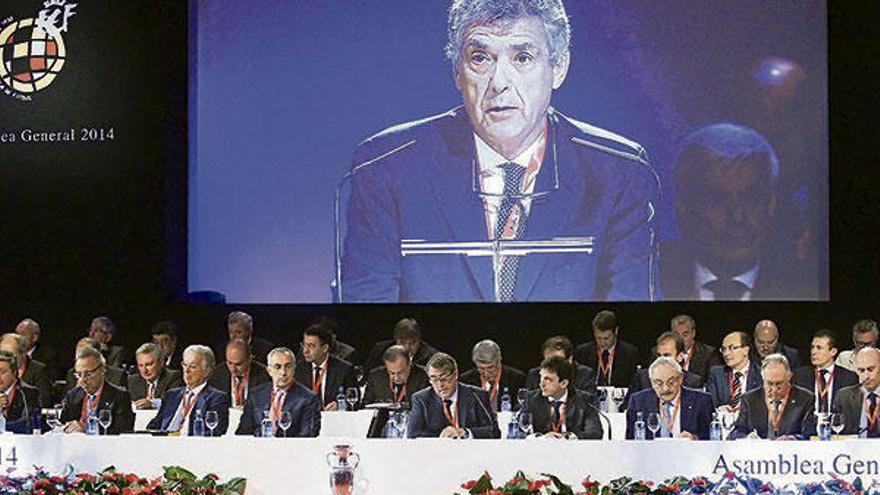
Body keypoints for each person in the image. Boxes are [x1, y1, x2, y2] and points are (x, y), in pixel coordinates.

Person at [340, 0, 659, 303]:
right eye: (480, 58)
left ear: (558, 67)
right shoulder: (386, 168)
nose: (499, 83)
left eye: (522, 58)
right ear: (457, 72)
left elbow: (629, 306)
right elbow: (366, 303)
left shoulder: (618, 172)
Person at [661, 123, 816, 301]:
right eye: (717, 199)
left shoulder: (807, 283)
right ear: (683, 208)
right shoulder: (643, 276)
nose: (737, 217)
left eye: (752, 198)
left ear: (771, 205)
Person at [407, 353, 499, 438]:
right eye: (434, 379)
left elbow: (494, 431)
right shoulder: (421, 399)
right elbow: (413, 435)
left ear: (455, 374)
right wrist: (443, 436)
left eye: (444, 378)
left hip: (471, 451)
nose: (440, 385)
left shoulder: (477, 395)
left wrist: (465, 433)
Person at [237, 347, 321, 437]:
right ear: (269, 371)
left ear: (294, 368)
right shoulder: (255, 395)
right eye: (277, 367)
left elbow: (308, 436)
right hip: (258, 448)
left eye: (288, 366)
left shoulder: (308, 398)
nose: (283, 372)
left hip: (291, 449)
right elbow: (243, 432)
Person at [147, 345, 230, 435]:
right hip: (164, 443)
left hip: (192, 446)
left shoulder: (216, 399)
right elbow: (154, 425)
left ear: (207, 371)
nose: (186, 370)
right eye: (185, 365)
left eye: (193, 367)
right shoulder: (171, 395)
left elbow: (214, 432)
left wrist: (182, 436)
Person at [729, 354, 816, 440]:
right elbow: (737, 432)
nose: (774, 389)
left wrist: (794, 438)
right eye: (769, 384)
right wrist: (747, 438)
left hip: (790, 451)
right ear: (762, 378)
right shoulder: (749, 399)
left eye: (779, 384)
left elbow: (810, 434)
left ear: (789, 377)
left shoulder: (805, 399)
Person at [625, 357, 713, 440]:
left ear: (680, 378)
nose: (665, 389)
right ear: (651, 382)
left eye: (671, 382)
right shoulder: (638, 402)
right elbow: (630, 440)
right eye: (659, 383)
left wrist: (694, 438)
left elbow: (711, 438)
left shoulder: (702, 401)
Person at [520, 356, 601, 439]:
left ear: (564, 383)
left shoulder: (585, 400)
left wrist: (568, 437)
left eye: (548, 379)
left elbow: (595, 433)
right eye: (541, 377)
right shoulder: (531, 399)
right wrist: (542, 438)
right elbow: (519, 432)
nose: (541, 384)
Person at [60, 346, 134, 435]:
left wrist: (87, 429)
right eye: (79, 375)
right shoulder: (72, 396)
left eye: (88, 374)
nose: (83, 380)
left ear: (102, 370)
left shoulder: (120, 397)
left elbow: (122, 431)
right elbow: (63, 425)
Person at [624, 332, 703, 409]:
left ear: (680, 356)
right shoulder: (643, 377)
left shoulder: (693, 381)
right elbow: (627, 407)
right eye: (659, 355)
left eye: (667, 355)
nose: (661, 360)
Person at [293, 322, 357, 410]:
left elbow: (354, 399)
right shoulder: (298, 370)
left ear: (325, 348)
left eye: (311, 346)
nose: (305, 351)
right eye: (304, 345)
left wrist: (340, 405)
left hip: (333, 419)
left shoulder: (344, 369)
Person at [792, 329, 858, 414]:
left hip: (837, 425)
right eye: (812, 347)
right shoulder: (799, 376)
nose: (813, 352)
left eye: (819, 348)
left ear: (833, 352)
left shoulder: (849, 378)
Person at [574, 310, 640, 387]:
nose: (602, 342)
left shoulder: (629, 353)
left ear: (616, 331)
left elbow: (633, 385)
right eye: (598, 338)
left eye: (606, 338)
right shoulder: (583, 352)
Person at [460, 340, 525, 410]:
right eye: (481, 368)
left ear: (499, 362)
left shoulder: (517, 379)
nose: (486, 373)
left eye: (490, 368)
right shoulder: (466, 381)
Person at [705, 331, 762, 410]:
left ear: (745, 350)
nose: (726, 353)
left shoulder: (761, 373)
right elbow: (709, 402)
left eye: (732, 348)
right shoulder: (716, 373)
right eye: (724, 349)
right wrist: (719, 408)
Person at [208, 338, 271, 409]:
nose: (233, 369)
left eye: (238, 364)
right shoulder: (217, 374)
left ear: (249, 359)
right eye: (229, 363)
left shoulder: (264, 375)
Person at [524, 336, 596, 397]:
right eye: (548, 361)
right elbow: (522, 405)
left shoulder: (584, 374)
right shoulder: (534, 375)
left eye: (557, 361)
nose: (552, 366)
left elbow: (589, 403)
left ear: (570, 359)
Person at [833, 347, 880, 437]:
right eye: (861, 370)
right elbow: (835, 431)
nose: (866, 376)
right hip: (854, 449)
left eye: (871, 369)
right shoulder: (844, 397)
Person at [363, 318, 440, 372]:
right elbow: (368, 375)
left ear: (419, 340)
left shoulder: (433, 357)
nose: (407, 348)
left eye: (412, 343)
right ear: (395, 340)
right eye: (402, 343)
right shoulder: (380, 350)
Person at [362, 345, 429, 405]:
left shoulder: (424, 376)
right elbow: (366, 406)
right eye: (392, 373)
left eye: (400, 372)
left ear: (410, 364)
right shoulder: (375, 377)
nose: (396, 378)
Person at [0, 333, 52, 408]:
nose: (4, 359)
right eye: (2, 353)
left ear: (23, 353)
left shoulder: (39, 370)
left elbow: (43, 401)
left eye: (10, 354)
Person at [128, 343, 183, 409]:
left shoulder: (173, 377)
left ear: (161, 362)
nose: (144, 370)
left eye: (149, 364)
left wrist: (152, 403)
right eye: (141, 365)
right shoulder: (133, 380)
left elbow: (174, 401)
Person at [0, 351, 41, 433]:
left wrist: (2, 425)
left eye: (2, 372)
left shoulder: (28, 393)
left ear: (14, 372)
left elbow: (27, 423)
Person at [670, 314, 718, 383]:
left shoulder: (709, 354)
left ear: (693, 333)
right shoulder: (662, 352)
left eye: (685, 335)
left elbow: (714, 383)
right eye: (676, 335)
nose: (680, 339)